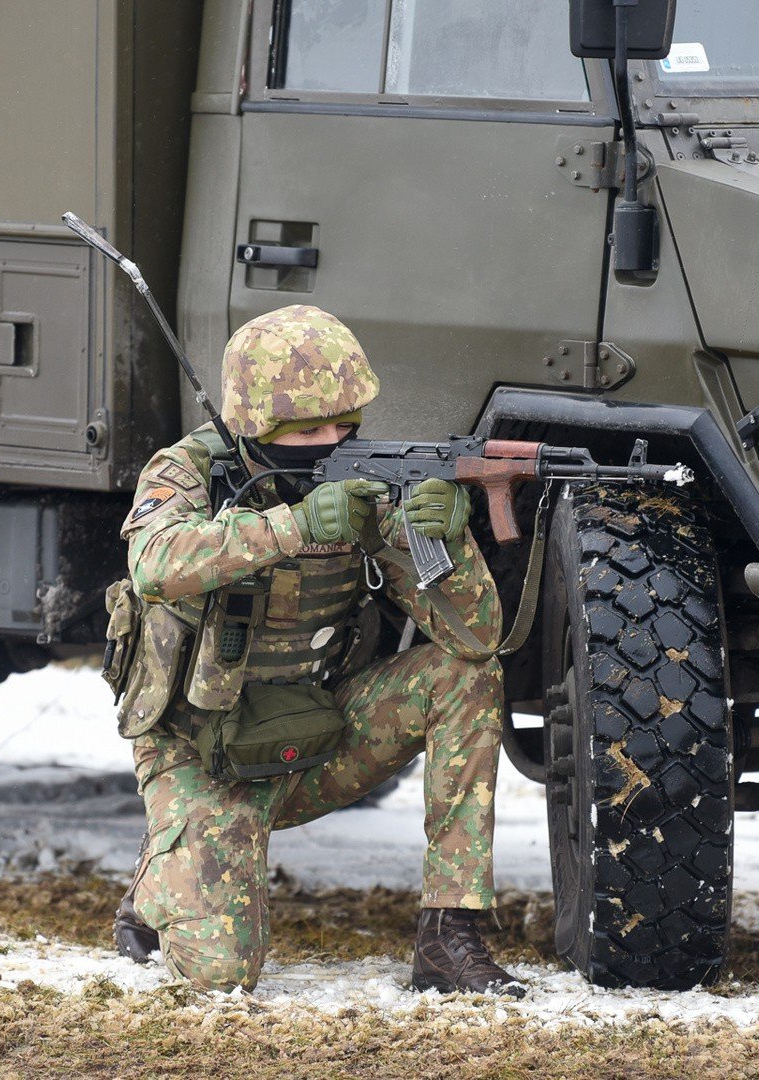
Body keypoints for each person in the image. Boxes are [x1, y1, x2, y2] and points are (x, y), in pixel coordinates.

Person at [105, 304, 525, 997]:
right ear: (255, 425)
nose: (332, 441)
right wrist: (292, 527)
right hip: (200, 751)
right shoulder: (189, 471)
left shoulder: (364, 485)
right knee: (220, 977)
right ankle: (164, 870)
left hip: (317, 735)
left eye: (346, 424)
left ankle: (450, 935)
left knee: (464, 678)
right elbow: (154, 562)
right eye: (309, 428)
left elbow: (473, 638)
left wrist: (446, 544)